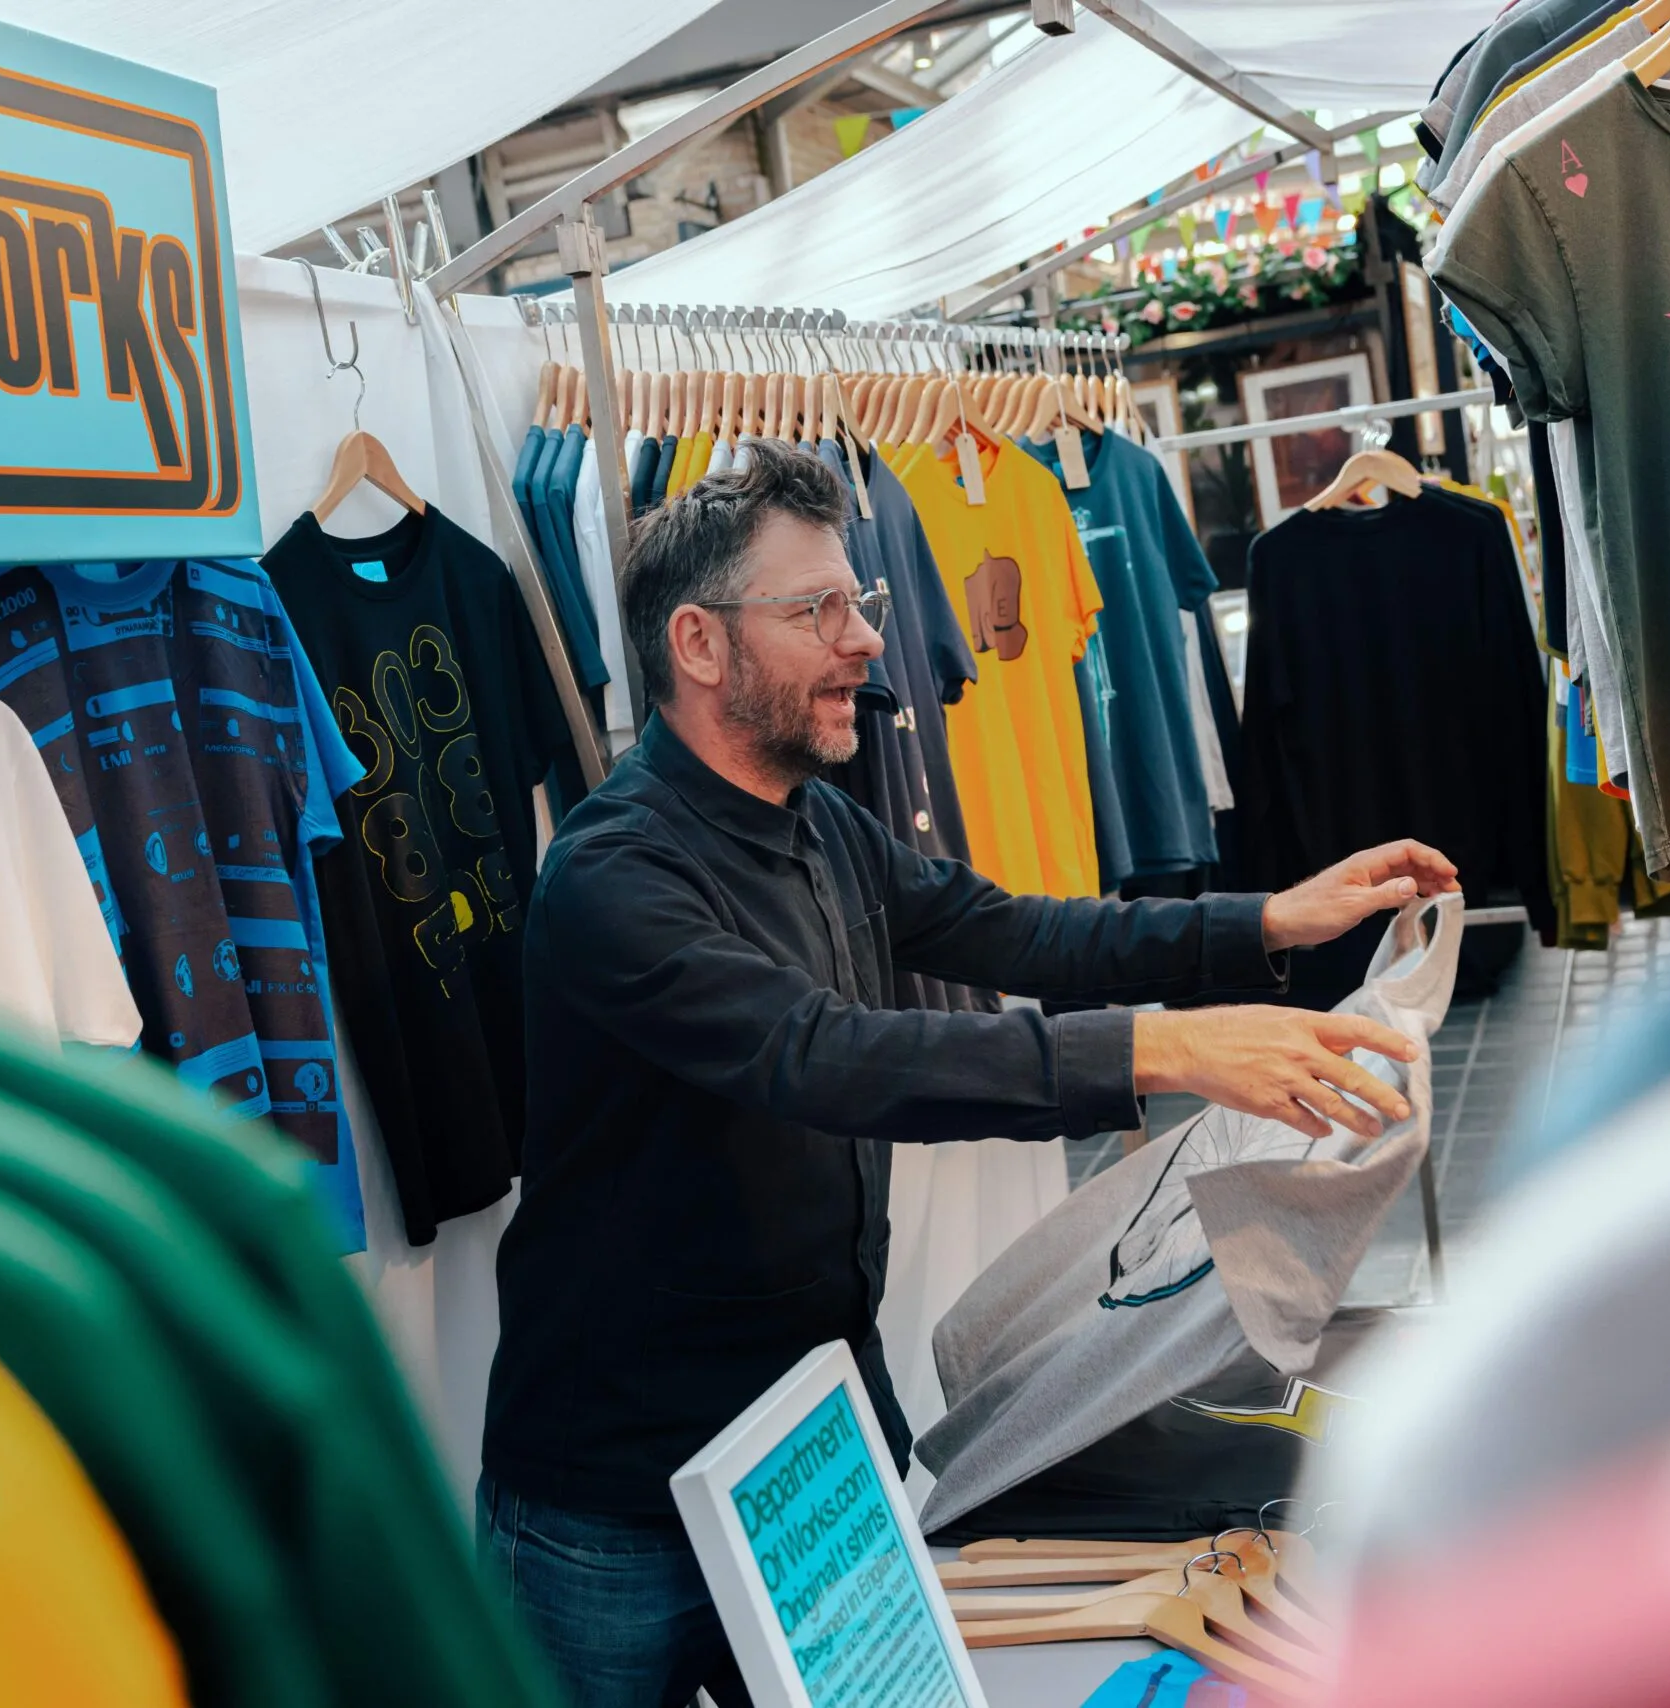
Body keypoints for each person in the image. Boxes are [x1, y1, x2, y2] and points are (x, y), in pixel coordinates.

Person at [479, 443, 1456, 1708]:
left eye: (860, 604)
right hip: (615, 1500)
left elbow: (1015, 931)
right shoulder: (614, 876)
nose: (866, 641)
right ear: (700, 645)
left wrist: (1265, 920)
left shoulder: (818, 821)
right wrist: (1169, 1048)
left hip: (814, 1453)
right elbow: (822, 1057)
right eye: (818, 609)